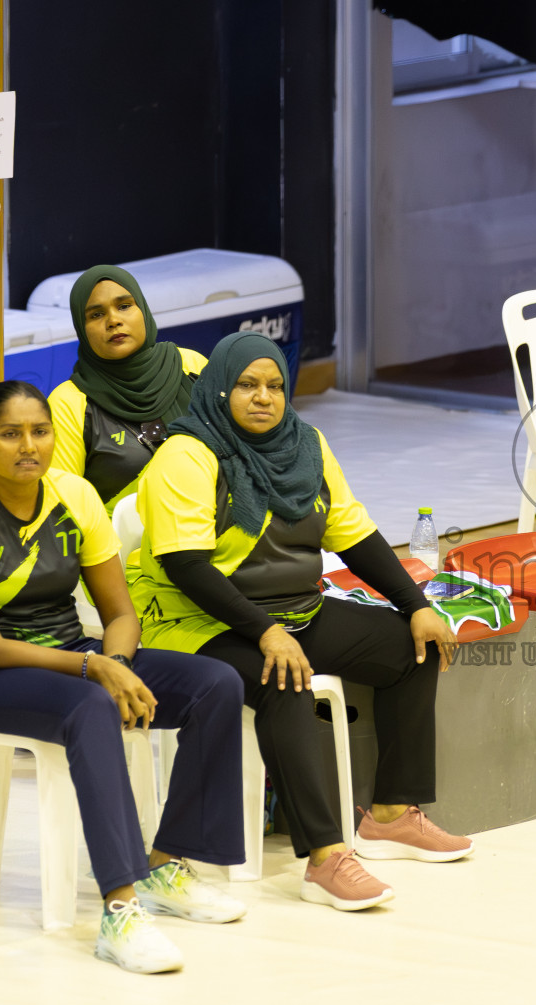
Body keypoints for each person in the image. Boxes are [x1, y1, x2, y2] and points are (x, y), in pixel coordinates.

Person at [131, 331, 469, 915]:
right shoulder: (185, 456)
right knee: (283, 676)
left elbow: (354, 534)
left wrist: (415, 605)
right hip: (195, 620)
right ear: (218, 390)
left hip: (293, 612)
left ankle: (390, 815)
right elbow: (185, 566)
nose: (263, 397)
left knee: (407, 647)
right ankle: (324, 856)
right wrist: (264, 631)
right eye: (246, 385)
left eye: (274, 386)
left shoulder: (306, 444)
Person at [0, 381, 247, 975]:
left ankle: (164, 867)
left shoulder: (75, 495)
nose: (28, 446)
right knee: (90, 708)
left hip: (76, 656)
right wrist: (95, 669)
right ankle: (119, 911)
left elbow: (120, 613)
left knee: (215, 684)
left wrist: (111, 664)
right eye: (9, 433)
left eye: (39, 431)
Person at [49, 265, 207, 514]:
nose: (114, 321)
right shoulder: (69, 403)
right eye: (96, 315)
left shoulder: (191, 366)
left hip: (212, 529)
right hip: (120, 548)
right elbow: (65, 507)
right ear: (81, 328)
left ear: (142, 310)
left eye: (124, 306)